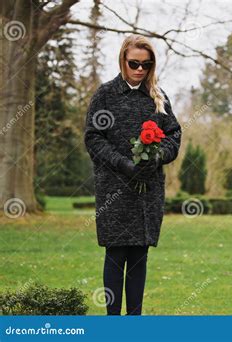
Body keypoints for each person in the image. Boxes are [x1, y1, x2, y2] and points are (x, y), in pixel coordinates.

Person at [83, 34, 182, 315]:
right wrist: (124, 164)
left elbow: (174, 135)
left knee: (139, 256)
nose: (140, 69)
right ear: (123, 61)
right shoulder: (105, 95)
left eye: (146, 64)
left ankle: (134, 322)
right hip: (113, 188)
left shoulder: (158, 97)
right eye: (134, 63)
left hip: (147, 190)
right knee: (116, 254)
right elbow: (93, 138)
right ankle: (113, 322)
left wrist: (158, 157)